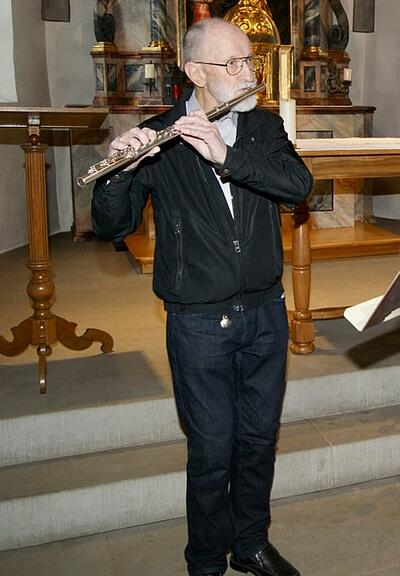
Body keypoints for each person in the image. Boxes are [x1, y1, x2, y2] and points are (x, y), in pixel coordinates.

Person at [91, 18, 312, 576]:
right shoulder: (160, 135)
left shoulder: (262, 128)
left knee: (258, 440)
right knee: (212, 451)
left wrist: (227, 156)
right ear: (195, 73)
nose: (248, 73)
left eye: (250, 61)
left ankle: (251, 543)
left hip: (265, 313)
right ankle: (207, 561)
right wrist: (120, 174)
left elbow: (298, 186)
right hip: (198, 323)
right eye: (232, 63)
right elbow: (112, 225)